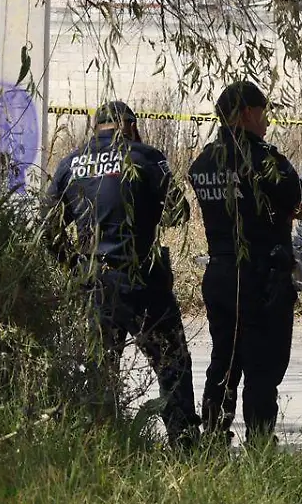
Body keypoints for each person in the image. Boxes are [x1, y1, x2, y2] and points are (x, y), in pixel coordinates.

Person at [43, 101, 200, 448]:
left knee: (100, 372)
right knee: (172, 365)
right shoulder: (146, 156)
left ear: (95, 127)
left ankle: (106, 445)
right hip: (144, 281)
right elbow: (178, 213)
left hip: (95, 284)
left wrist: (76, 267)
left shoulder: (71, 164)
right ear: (129, 126)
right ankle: (185, 445)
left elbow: (47, 230)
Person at [188, 81, 302, 446]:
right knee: (262, 367)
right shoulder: (264, 160)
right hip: (262, 277)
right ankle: (260, 445)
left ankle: (213, 439)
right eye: (263, 115)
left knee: (224, 361)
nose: (265, 123)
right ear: (247, 113)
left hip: (220, 273)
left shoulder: (204, 161)